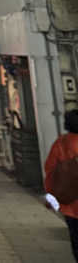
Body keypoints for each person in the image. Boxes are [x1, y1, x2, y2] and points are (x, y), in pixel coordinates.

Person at [45, 109, 78, 260]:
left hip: (70, 201)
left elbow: (50, 169)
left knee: (76, 238)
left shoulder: (61, 143)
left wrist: (51, 196)